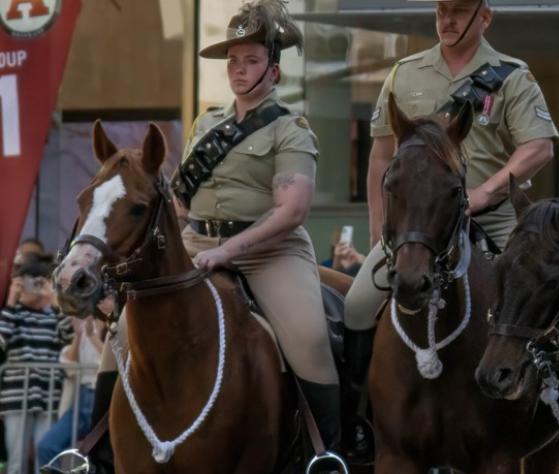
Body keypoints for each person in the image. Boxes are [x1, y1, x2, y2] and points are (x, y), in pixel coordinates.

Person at [87, 0, 346, 468]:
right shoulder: (206, 124)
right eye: (232, 61)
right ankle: (92, 451)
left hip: (270, 253)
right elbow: (183, 202)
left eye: (250, 60)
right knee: (122, 332)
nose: (239, 70)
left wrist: (229, 249)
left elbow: (292, 211)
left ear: (273, 68)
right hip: (197, 245)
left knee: (309, 338)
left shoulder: (292, 129)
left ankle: (326, 454)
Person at [341, 0, 559, 432]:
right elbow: (381, 158)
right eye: (442, 10)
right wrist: (378, 232)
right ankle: (361, 422)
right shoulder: (404, 73)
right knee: (356, 305)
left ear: (485, 17)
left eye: (460, 11)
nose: (448, 20)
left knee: (535, 300)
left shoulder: (512, 75)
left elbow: (539, 148)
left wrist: (483, 192)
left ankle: (548, 415)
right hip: (418, 226)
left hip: (491, 217)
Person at [0, 254, 72, 474]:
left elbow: (70, 338)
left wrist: (55, 303)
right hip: (17, 396)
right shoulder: (13, 314)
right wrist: (12, 299)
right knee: (16, 460)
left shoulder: (53, 316)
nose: (34, 289)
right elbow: (1, 340)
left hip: (48, 394)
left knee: (45, 456)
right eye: (29, 283)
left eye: (40, 283)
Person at [36, 312, 105, 468]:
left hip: (103, 399)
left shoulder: (110, 328)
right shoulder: (76, 334)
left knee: (99, 457)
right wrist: (79, 335)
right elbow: (69, 367)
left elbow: (113, 360)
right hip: (81, 400)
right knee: (46, 447)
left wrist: (95, 335)